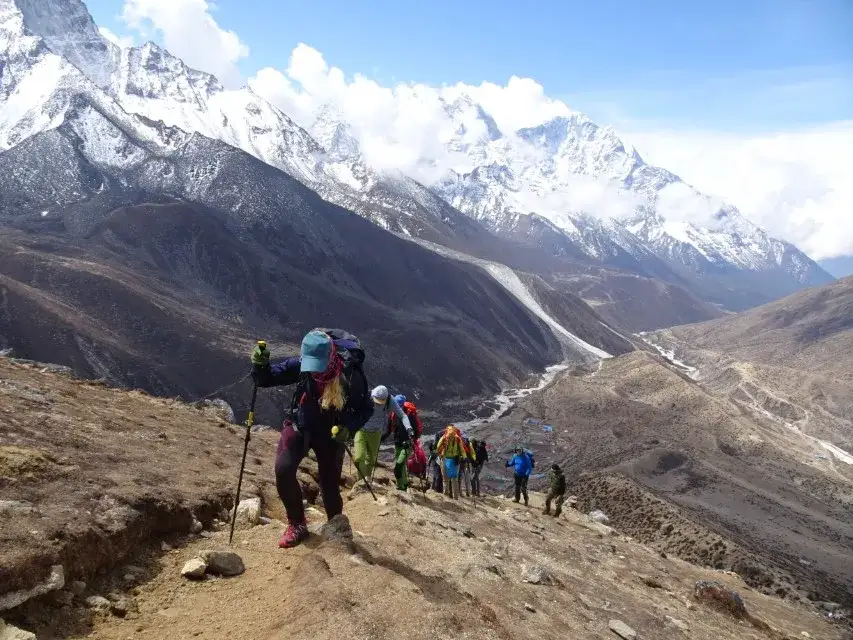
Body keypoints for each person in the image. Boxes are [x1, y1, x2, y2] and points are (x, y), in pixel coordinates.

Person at [251, 329, 372, 548]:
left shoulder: (351, 376)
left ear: (331, 356)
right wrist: (260, 367)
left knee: (329, 485)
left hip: (331, 434)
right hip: (301, 424)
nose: (314, 370)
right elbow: (266, 379)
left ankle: (336, 528)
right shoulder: (302, 365)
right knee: (283, 469)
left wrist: (348, 428)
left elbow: (366, 409)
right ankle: (297, 523)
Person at [349, 385, 408, 490]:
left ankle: (366, 480)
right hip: (361, 430)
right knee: (359, 457)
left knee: (371, 460)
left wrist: (409, 427)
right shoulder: (366, 396)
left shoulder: (390, 400)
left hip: (376, 433)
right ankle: (360, 482)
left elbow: (402, 415)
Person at [383, 393, 414, 490]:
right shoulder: (393, 415)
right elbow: (389, 431)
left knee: (399, 466)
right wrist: (381, 439)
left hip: (407, 445)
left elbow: (415, 431)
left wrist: (411, 440)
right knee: (402, 466)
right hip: (397, 444)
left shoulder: (409, 415)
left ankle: (401, 487)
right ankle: (402, 486)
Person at [436, 424, 465, 499]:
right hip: (455, 460)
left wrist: (438, 453)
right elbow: (462, 450)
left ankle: (446, 496)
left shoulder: (444, 437)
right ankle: (455, 497)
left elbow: (438, 446)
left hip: (445, 459)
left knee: (445, 479)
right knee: (454, 479)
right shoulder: (458, 438)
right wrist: (465, 457)